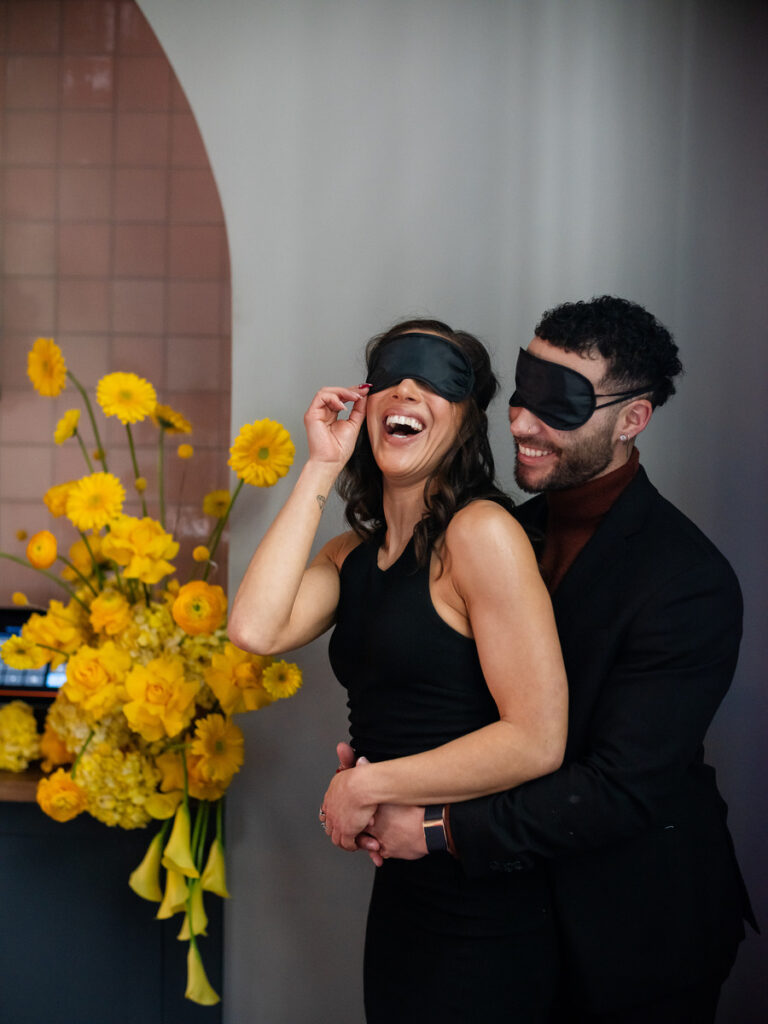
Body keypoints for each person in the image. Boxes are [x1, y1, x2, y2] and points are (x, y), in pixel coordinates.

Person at [347, 296, 755, 1023]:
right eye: (524, 390)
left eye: (559, 404)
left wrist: (436, 824)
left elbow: (621, 787)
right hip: (505, 919)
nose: (522, 423)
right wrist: (402, 750)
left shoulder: (687, 582)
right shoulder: (499, 529)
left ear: (632, 419)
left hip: (632, 931)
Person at [228, 318, 568, 1022]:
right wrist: (320, 465)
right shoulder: (354, 555)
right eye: (393, 371)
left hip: (484, 894)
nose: (408, 385)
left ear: (467, 418)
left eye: (436, 376)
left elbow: (538, 738)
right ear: (366, 397)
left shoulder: (481, 536)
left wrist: (368, 784)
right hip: (405, 888)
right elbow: (254, 630)